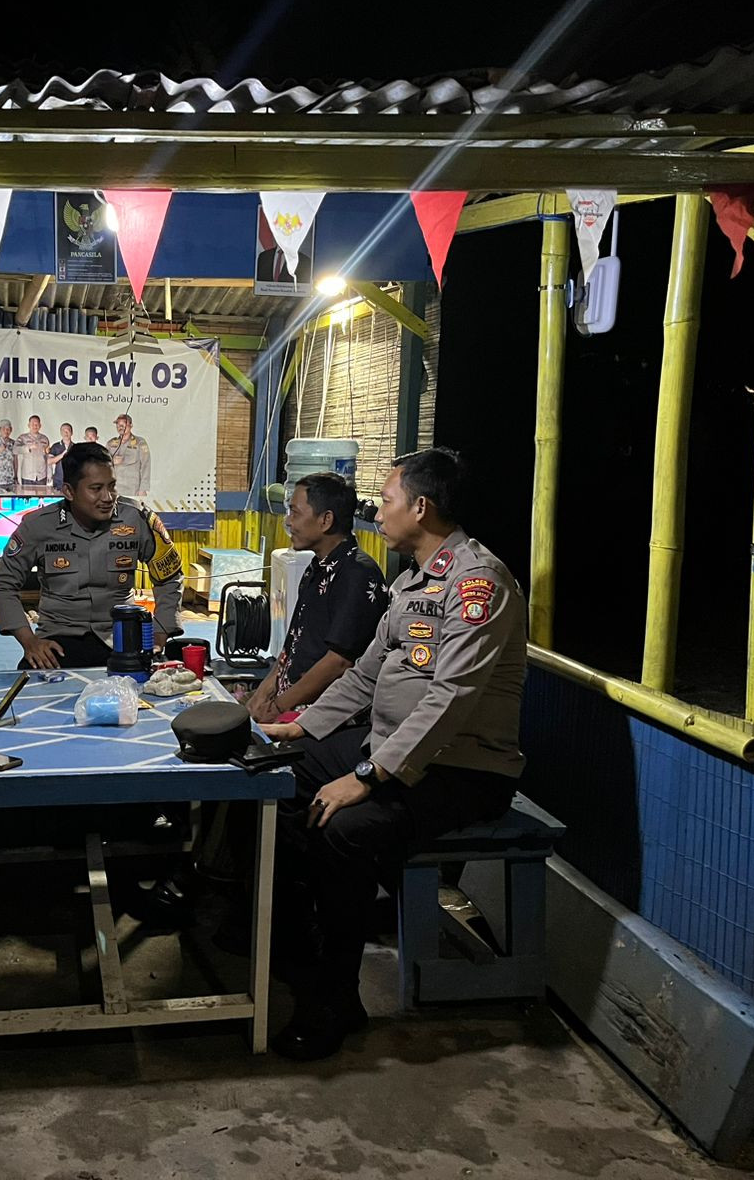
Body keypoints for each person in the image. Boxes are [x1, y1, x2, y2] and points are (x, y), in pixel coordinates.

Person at [259, 448, 526, 1061]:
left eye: (389, 498)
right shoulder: (410, 580)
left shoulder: (477, 584)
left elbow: (451, 698)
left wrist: (366, 776)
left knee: (344, 828)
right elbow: (364, 674)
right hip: (389, 747)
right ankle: (300, 948)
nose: (378, 509)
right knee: (278, 779)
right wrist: (303, 729)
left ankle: (335, 998)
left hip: (463, 769)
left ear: (421, 507)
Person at [0, 442, 182, 669]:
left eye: (112, 486)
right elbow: (3, 585)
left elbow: (170, 577)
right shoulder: (38, 526)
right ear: (69, 491)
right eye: (96, 488)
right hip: (58, 642)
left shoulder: (138, 519)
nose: (108, 497)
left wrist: (160, 634)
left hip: (123, 639)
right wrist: (29, 641)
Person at [246, 473, 388, 723]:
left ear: (325, 520)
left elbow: (338, 663)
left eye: (295, 512)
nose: (289, 522)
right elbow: (292, 646)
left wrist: (278, 708)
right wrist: (262, 694)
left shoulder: (358, 574)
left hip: (321, 719)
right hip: (288, 706)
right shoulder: (317, 567)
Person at [107, 414, 151, 499]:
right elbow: (103, 464)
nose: (120, 427)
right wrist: (112, 461)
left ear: (131, 426)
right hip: (114, 488)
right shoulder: (111, 443)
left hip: (132, 489)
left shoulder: (140, 442)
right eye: (118, 425)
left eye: (123, 425)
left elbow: (146, 465)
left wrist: (143, 488)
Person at [14, 415, 51, 490]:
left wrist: (49, 473)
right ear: (28, 425)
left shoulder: (44, 438)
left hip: (41, 475)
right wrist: (28, 447)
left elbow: (48, 457)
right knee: (28, 499)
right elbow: (15, 450)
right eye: (33, 424)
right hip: (28, 475)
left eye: (37, 424)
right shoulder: (22, 438)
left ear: (40, 425)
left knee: (41, 499)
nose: (35, 426)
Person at [47, 423, 75, 491]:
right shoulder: (55, 446)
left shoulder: (75, 447)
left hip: (72, 481)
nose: (65, 433)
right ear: (60, 432)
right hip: (59, 480)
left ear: (71, 432)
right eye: (63, 431)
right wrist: (62, 455)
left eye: (68, 430)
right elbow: (49, 461)